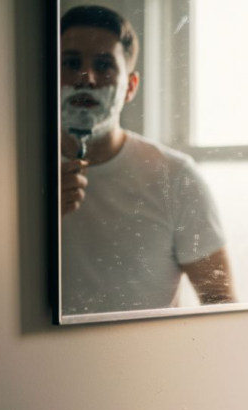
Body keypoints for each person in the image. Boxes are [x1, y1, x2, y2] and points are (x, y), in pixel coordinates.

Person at [60, 5, 234, 314]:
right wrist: (29, 218)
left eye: (103, 65)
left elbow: (221, 307)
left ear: (130, 87)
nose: (86, 77)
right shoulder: (14, 172)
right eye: (71, 63)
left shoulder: (176, 177)